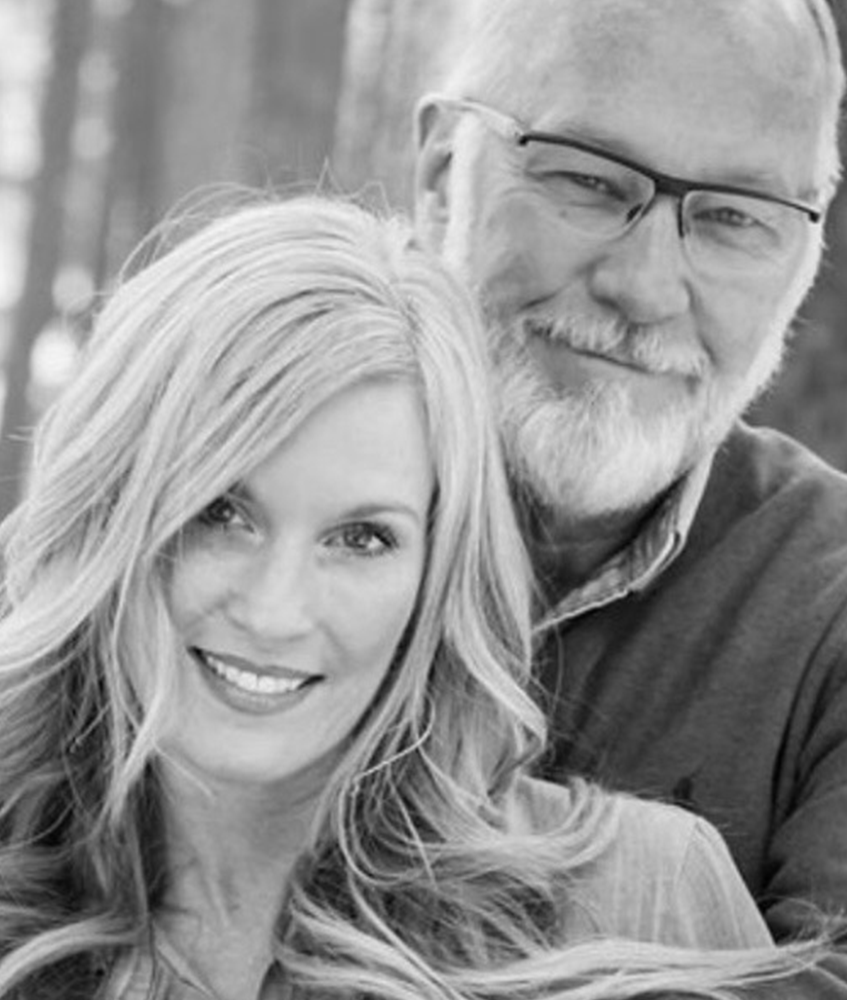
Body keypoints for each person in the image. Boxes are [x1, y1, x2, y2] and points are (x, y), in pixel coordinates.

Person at [0, 194, 811, 1000]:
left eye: (360, 539)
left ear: (438, 574)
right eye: (221, 514)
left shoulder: (639, 898)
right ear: (110, 511)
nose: (274, 611)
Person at [413, 0, 847, 980]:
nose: (645, 289)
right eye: (586, 180)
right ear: (442, 175)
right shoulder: (226, 500)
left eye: (734, 218)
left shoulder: (829, 605)